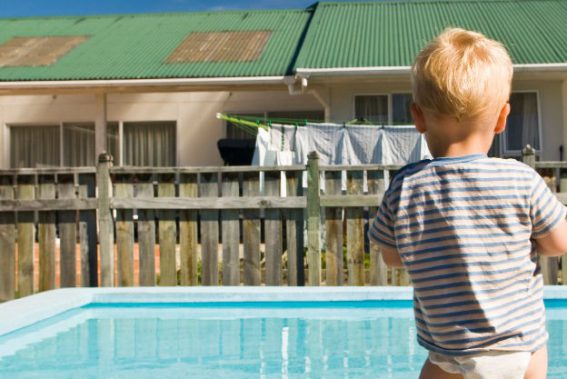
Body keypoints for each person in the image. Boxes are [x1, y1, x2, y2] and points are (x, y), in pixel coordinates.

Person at [368, 27, 567, 379]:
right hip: (519, 347)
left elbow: (392, 256)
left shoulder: (405, 187)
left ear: (417, 117)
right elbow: (558, 244)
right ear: (503, 118)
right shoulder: (520, 179)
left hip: (448, 351)